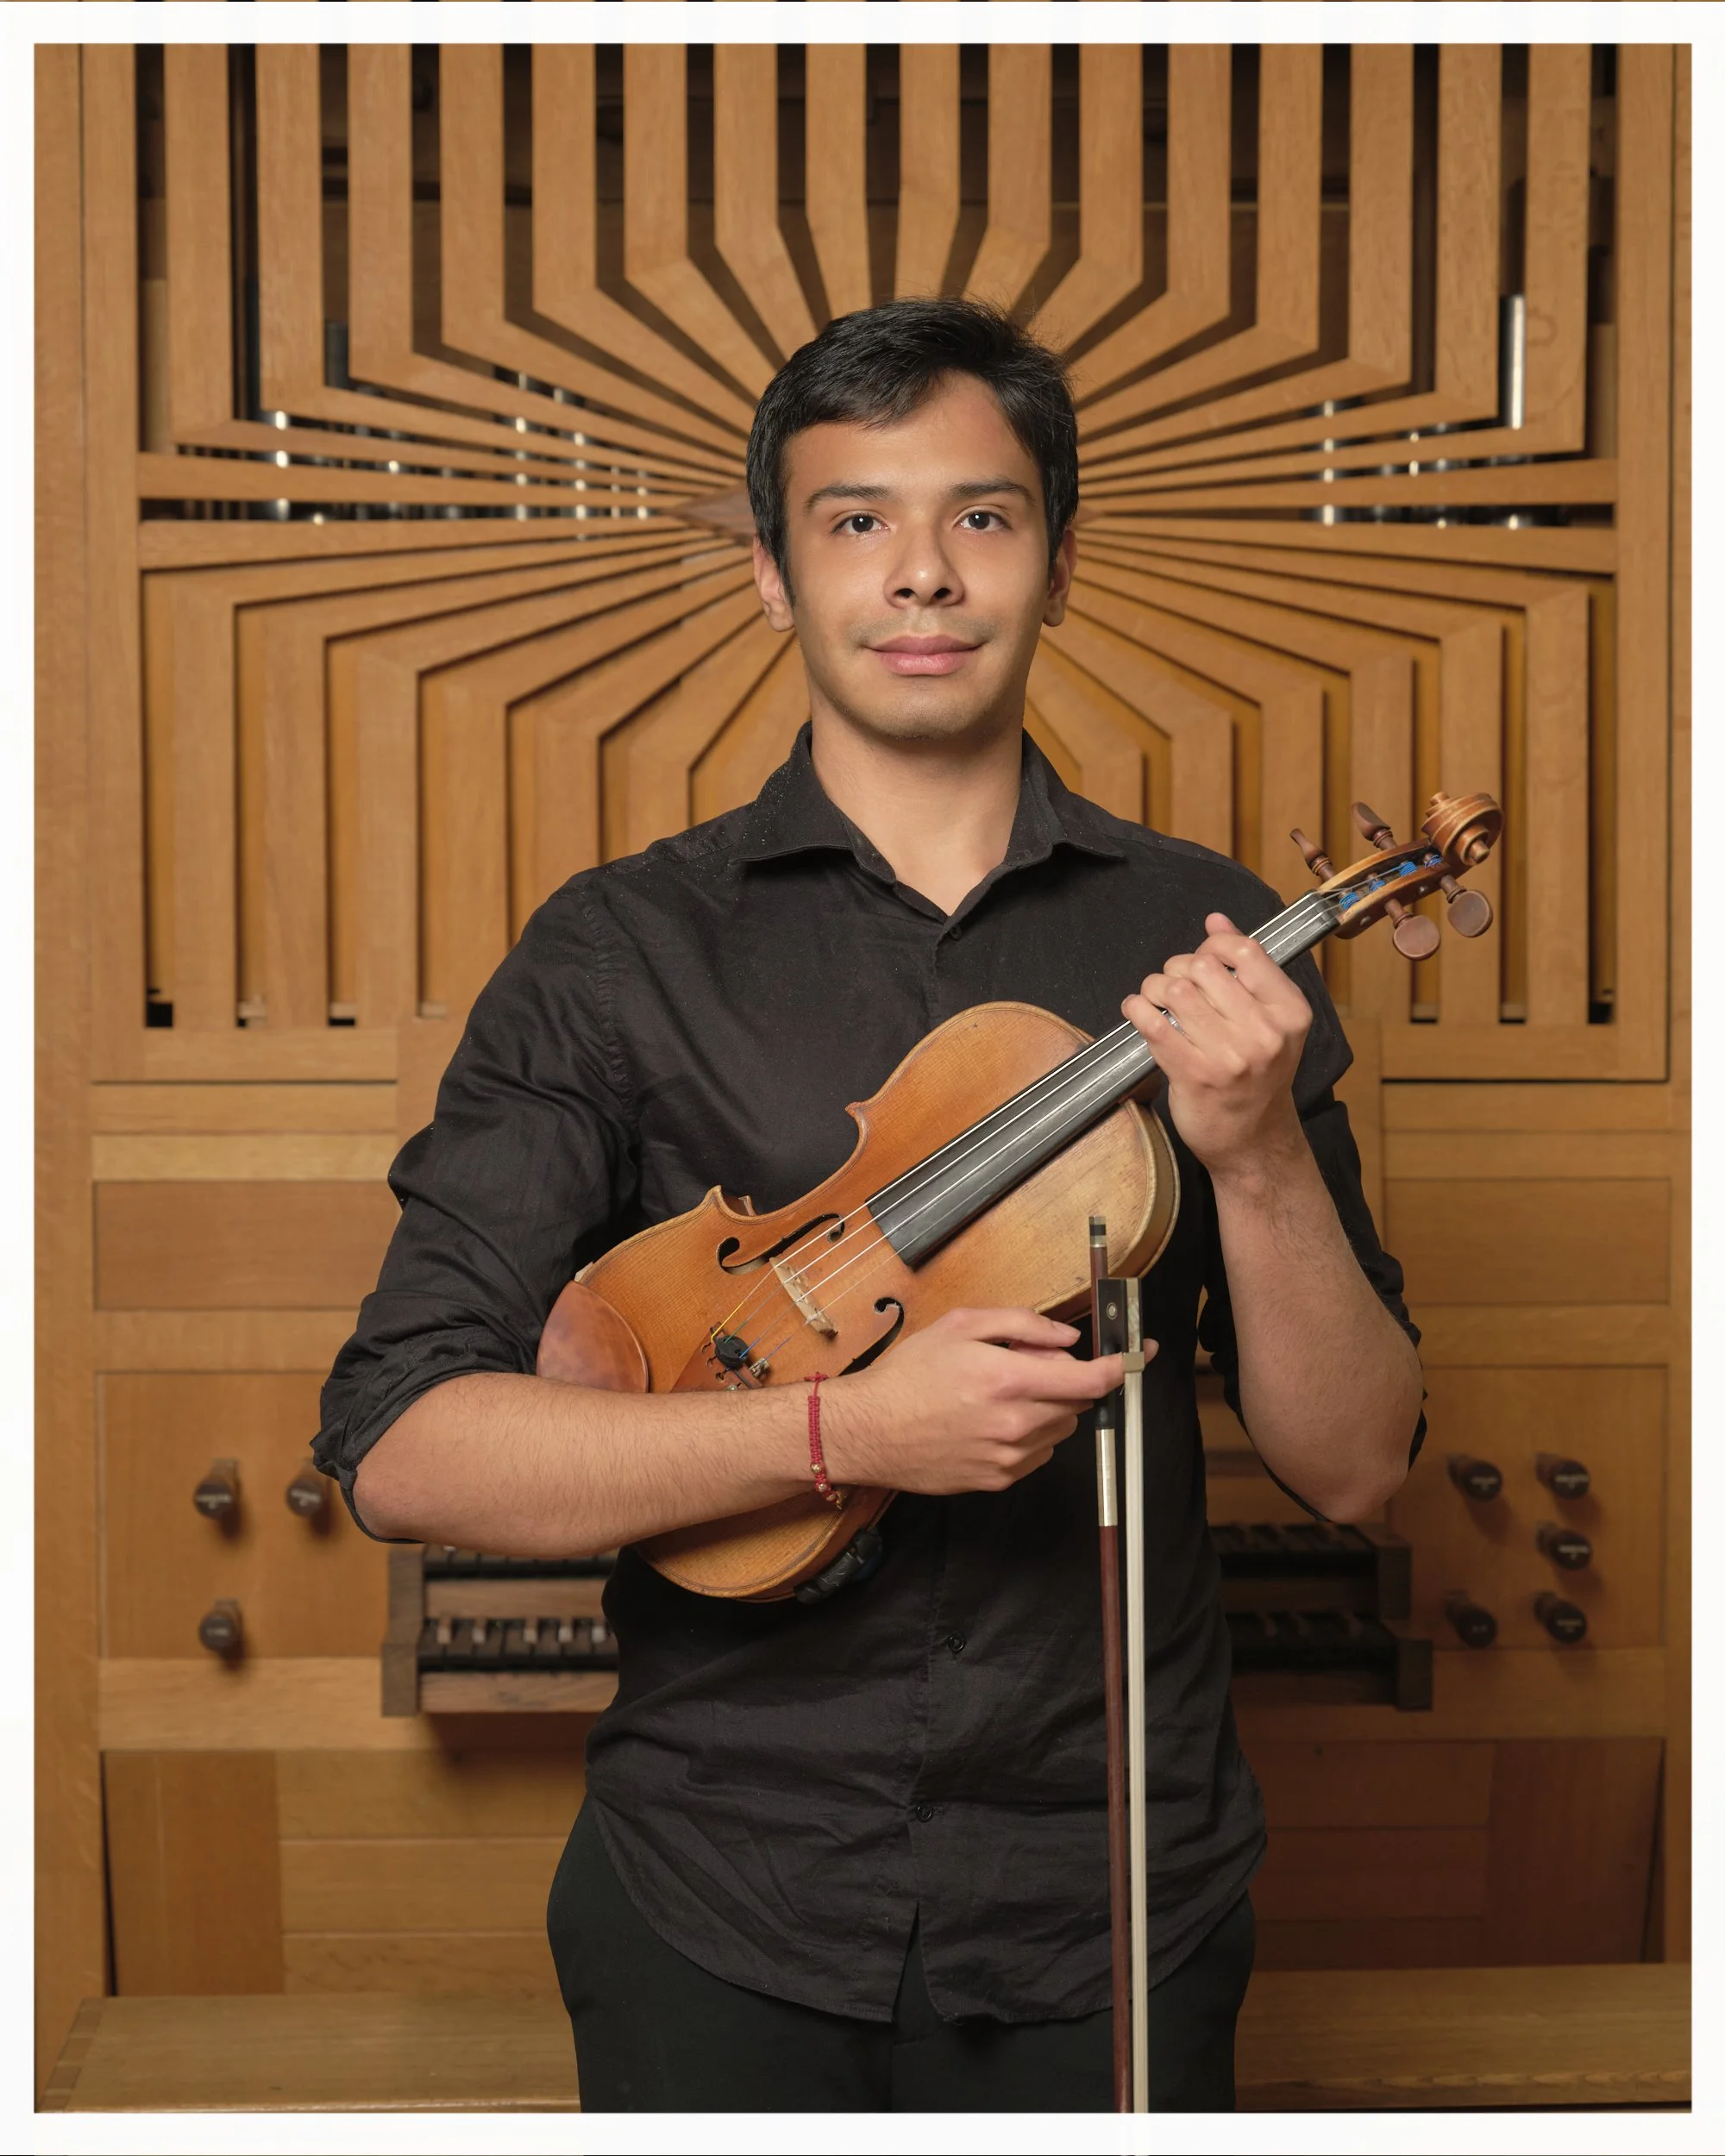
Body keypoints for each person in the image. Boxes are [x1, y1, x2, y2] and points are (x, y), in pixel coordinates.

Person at [315, 298, 1426, 2115]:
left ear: (1055, 563)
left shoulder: (1206, 938)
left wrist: (1252, 1148)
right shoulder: (618, 952)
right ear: (774, 572)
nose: (922, 574)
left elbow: (1361, 1463)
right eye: (856, 521)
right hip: (724, 1888)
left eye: (982, 517)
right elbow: (399, 1446)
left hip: (1115, 1891)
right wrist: (841, 1426)